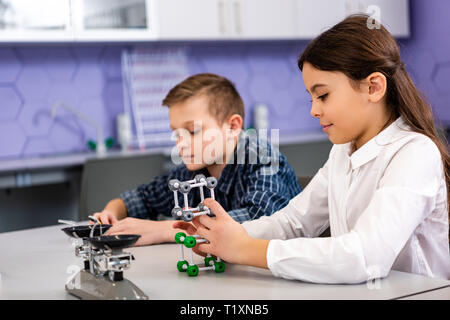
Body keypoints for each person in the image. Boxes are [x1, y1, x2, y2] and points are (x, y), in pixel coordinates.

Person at [175, 15, 450, 283]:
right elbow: (294, 222)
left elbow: (365, 257)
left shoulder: (415, 153)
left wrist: (246, 249)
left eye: (323, 95)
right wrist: (228, 235)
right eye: (311, 98)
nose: (314, 110)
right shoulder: (344, 151)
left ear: (374, 87)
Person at [93, 73, 301, 246]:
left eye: (193, 131)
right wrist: (112, 211)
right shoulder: (195, 169)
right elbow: (143, 197)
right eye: (177, 133)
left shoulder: (262, 158)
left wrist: (166, 230)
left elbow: (262, 223)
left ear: (233, 127)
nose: (181, 143)